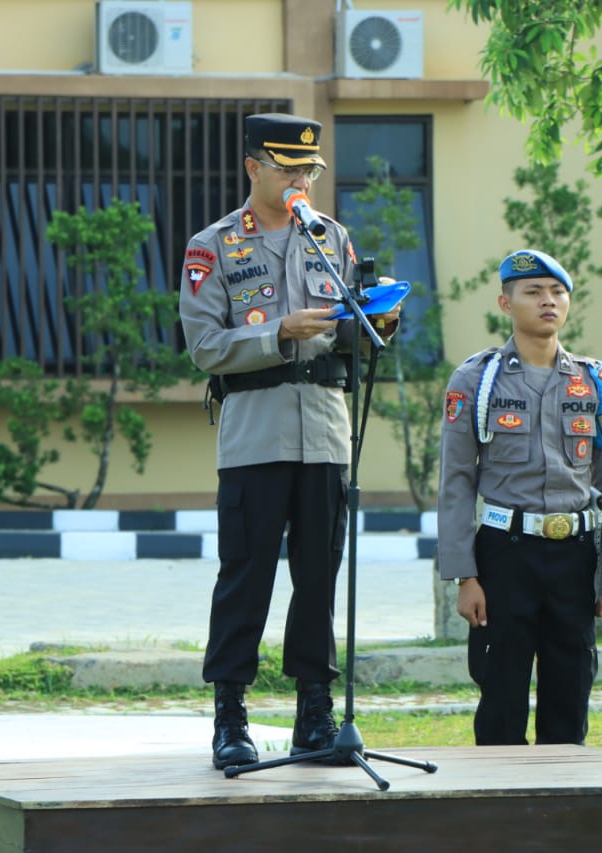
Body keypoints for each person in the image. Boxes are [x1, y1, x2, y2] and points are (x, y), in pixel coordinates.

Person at [178, 113, 402, 769]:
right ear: (253, 168)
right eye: (288, 169)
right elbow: (204, 346)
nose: (301, 180)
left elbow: (356, 335)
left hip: (326, 432)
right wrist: (278, 331)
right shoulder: (213, 245)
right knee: (246, 576)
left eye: (309, 170)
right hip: (255, 434)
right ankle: (231, 715)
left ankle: (314, 712)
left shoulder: (331, 238)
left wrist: (378, 317)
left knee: (317, 577)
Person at [436, 249, 602, 747]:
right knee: (501, 693)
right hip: (505, 553)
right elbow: (457, 481)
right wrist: (465, 575)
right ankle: (499, 814)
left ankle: (566, 814)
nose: (548, 301)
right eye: (533, 292)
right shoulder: (476, 380)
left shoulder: (594, 381)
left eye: (557, 292)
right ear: (506, 303)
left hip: (575, 555)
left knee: (570, 692)